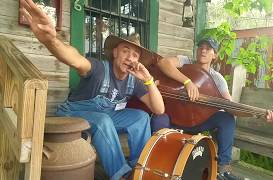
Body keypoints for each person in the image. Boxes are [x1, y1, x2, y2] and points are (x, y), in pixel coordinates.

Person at [20, 1, 165, 180]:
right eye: (125, 51)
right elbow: (75, 59)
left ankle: (139, 168)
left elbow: (159, 110)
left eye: (135, 55)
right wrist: (51, 40)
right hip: (73, 113)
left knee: (141, 117)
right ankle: (121, 175)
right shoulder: (98, 69)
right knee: (103, 120)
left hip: (105, 117)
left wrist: (149, 80)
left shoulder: (134, 81)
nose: (130, 58)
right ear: (115, 53)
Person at [156, 37, 273, 179]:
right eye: (201, 47)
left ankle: (223, 169)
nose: (203, 50)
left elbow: (229, 106)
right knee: (158, 119)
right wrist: (187, 82)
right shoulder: (185, 61)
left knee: (226, 118)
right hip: (174, 116)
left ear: (215, 55)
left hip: (198, 121)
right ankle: (157, 164)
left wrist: (258, 114)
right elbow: (163, 63)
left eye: (208, 48)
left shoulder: (218, 79)